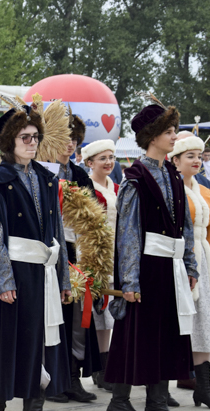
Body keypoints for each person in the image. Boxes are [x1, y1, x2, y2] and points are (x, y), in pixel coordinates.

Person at [0, 102, 72, 411]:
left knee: (43, 344)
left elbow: (56, 232)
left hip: (43, 273)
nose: (31, 142)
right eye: (24, 137)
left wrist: (63, 279)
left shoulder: (47, 179)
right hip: (15, 276)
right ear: (9, 142)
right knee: (12, 345)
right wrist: (3, 281)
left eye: (34, 137)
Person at [105, 101, 198, 411]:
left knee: (168, 332)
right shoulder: (135, 178)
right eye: (169, 132)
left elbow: (184, 224)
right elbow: (127, 232)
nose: (175, 137)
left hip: (170, 266)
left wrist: (189, 265)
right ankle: (119, 401)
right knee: (135, 333)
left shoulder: (172, 173)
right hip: (146, 266)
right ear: (152, 135)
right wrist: (129, 280)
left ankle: (157, 402)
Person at [168, 134, 210, 410]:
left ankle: (203, 389)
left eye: (198, 155)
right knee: (177, 325)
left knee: (204, 324)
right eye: (188, 156)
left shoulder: (205, 191)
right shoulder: (170, 190)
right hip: (179, 262)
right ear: (175, 161)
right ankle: (164, 384)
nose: (196, 160)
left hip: (204, 263)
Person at [48, 114, 102, 404]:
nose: (70, 144)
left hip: (77, 250)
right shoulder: (43, 171)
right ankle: (52, 380)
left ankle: (71, 376)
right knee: (53, 317)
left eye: (75, 140)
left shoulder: (80, 175)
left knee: (77, 318)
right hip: (51, 251)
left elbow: (93, 217)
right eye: (66, 138)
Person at [82, 139, 119, 392]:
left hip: (117, 254)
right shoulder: (86, 189)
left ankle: (107, 364)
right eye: (102, 158)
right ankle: (99, 367)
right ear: (89, 162)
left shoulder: (116, 187)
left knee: (109, 314)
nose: (108, 162)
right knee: (97, 311)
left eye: (111, 157)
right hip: (95, 255)